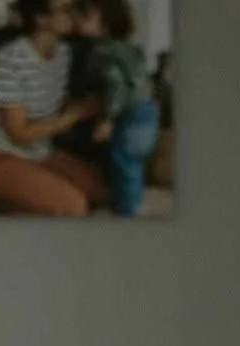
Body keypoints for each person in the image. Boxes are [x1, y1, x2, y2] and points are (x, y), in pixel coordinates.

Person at [0, 0, 105, 217]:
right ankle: (2, 197)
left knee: (100, 190)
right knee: (75, 206)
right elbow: (19, 133)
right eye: (67, 10)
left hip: (39, 153)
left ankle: (26, 194)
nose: (74, 15)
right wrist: (72, 116)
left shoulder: (63, 53)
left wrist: (85, 106)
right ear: (41, 19)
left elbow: (51, 100)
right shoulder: (11, 58)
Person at [72, 0, 159, 216]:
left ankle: (127, 213)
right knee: (134, 164)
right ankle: (133, 204)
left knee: (123, 163)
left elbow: (116, 85)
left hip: (129, 114)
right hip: (149, 110)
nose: (77, 21)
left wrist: (107, 119)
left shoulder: (103, 52)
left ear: (105, 24)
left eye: (85, 17)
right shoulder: (129, 48)